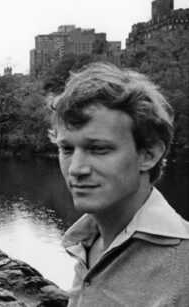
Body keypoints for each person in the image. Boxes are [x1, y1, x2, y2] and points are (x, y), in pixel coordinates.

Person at [49, 63, 189, 306]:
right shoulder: (87, 244)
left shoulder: (183, 267)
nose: (76, 169)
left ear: (149, 155)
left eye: (99, 149)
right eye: (67, 149)